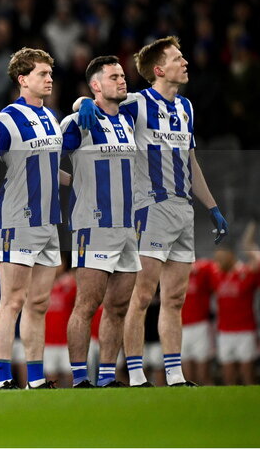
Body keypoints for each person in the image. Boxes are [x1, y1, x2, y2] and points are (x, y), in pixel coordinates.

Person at [78, 36, 229, 387]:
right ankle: (135, 374)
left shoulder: (187, 108)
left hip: (182, 210)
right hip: (150, 208)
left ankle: (175, 375)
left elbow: (191, 162)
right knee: (141, 295)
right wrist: (83, 100)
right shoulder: (139, 103)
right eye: (178, 58)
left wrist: (213, 207)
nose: (185, 62)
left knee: (175, 298)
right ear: (159, 69)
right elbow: (102, 99)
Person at [62, 56, 139, 388]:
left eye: (123, 75)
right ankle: (80, 379)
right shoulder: (77, 123)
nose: (122, 81)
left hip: (127, 227)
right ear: (96, 85)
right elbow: (43, 161)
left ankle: (107, 378)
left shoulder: (129, 119)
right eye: (113, 77)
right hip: (93, 225)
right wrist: (75, 182)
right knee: (87, 304)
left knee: (119, 306)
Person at [0, 48, 65, 389]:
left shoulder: (50, 118)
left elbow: (49, 168)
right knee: (13, 300)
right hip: (19, 219)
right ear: (23, 80)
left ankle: (35, 378)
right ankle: (4, 378)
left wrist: (78, 181)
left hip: (50, 221)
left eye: (50, 74)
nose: (49, 79)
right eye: (42, 74)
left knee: (39, 302)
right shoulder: (5, 119)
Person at [214, 222, 259, 386]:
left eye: (221, 256)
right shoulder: (217, 274)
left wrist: (249, 239)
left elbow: (257, 260)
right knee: (227, 376)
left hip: (245, 331)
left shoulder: (246, 272)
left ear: (231, 255)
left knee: (248, 375)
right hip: (224, 332)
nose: (217, 260)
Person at [181, 258, 218, 385]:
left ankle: (211, 401)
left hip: (201, 325)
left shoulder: (202, 269)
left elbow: (215, 267)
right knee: (187, 376)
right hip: (181, 327)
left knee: (203, 374)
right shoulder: (175, 274)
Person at [43, 265, 76, 387]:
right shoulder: (42, 285)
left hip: (66, 340)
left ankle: (74, 399)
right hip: (48, 340)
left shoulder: (71, 283)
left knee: (69, 374)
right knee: (51, 375)